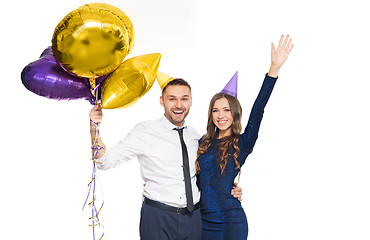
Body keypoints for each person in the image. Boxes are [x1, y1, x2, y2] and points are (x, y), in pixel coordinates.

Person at [89, 77, 242, 239]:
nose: (178, 105)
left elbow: (204, 175)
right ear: (162, 101)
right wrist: (94, 130)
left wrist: (229, 188)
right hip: (157, 216)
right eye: (172, 99)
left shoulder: (196, 137)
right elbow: (105, 161)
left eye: (184, 99)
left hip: (194, 218)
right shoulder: (145, 131)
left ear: (191, 102)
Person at [195, 34, 294, 240]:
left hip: (232, 222)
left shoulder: (243, 142)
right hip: (203, 222)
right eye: (215, 111)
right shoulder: (202, 143)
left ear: (235, 113)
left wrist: (273, 70)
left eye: (226, 110)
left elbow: (259, 109)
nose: (220, 116)